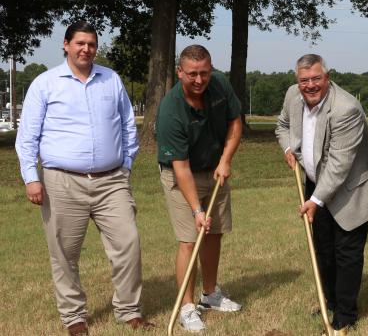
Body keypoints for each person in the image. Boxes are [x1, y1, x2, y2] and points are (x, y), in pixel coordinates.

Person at [15, 21, 154, 335]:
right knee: (64, 253)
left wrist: (126, 165)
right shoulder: (45, 84)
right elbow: (27, 138)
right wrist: (30, 177)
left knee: (128, 242)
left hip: (111, 181)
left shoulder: (111, 80)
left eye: (91, 44)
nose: (86, 49)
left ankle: (129, 310)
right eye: (79, 43)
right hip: (61, 182)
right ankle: (74, 317)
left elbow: (128, 127)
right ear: (66, 45)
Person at [276, 54, 368, 334]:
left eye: (316, 78)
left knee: (346, 252)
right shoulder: (292, 96)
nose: (310, 85)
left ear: (328, 76)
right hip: (314, 184)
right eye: (304, 80)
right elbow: (282, 126)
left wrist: (315, 201)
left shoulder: (346, 108)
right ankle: (331, 302)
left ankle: (345, 316)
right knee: (323, 250)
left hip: (349, 189)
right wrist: (288, 150)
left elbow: (339, 164)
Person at [156, 44, 243, 333]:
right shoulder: (170, 109)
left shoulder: (219, 85)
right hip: (181, 175)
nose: (199, 80)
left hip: (215, 169)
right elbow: (180, 167)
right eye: (192, 74)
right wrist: (196, 209)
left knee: (215, 232)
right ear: (180, 72)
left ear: (211, 69)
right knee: (190, 239)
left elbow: (235, 122)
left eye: (204, 73)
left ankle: (210, 294)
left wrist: (226, 160)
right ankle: (187, 307)